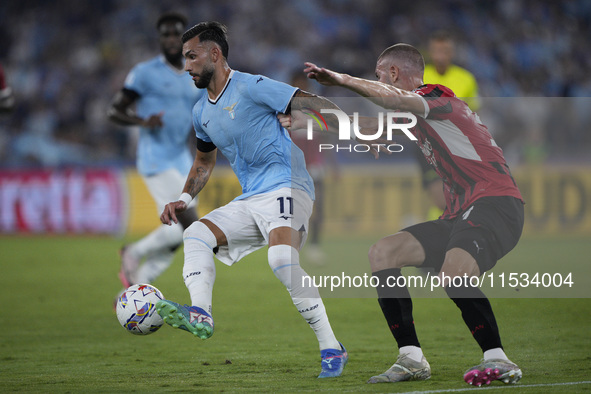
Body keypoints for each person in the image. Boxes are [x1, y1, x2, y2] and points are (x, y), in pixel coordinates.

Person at [301, 44, 524, 386]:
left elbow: (391, 101)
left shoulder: (434, 96)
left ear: (392, 74)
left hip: (495, 203)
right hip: (461, 211)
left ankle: (498, 358)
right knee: (384, 251)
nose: (376, 81)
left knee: (453, 272)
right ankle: (411, 358)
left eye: (378, 75)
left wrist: (342, 79)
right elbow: (365, 123)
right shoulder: (415, 115)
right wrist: (305, 113)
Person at [157, 21, 348, 378]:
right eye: (185, 59)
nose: (187, 66)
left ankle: (331, 347)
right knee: (195, 235)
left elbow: (306, 101)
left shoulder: (253, 85)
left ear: (215, 54)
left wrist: (349, 125)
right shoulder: (201, 112)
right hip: (253, 197)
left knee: (280, 259)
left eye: (192, 56)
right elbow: (203, 161)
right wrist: (184, 196)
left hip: (289, 186)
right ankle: (201, 312)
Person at [108, 12, 202, 288]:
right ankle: (134, 253)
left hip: (181, 157)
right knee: (192, 227)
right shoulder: (144, 73)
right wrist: (142, 121)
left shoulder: (193, 72)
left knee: (181, 232)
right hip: (155, 159)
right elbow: (114, 110)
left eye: (177, 34)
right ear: (159, 39)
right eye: (166, 35)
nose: (172, 39)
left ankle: (140, 284)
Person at [419, 31, 481, 220]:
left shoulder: (466, 79)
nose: (441, 55)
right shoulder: (419, 76)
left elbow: (473, 114)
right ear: (430, 52)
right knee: (441, 199)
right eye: (437, 51)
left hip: (458, 146)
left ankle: (441, 235)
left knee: (458, 199)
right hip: (429, 145)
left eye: (445, 51)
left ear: (452, 53)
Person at [287, 70, 339, 264]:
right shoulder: (284, 108)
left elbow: (325, 137)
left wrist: (334, 166)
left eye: (304, 86)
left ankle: (315, 246)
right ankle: (293, 248)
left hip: (315, 164)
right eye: (297, 85)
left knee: (319, 205)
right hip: (293, 166)